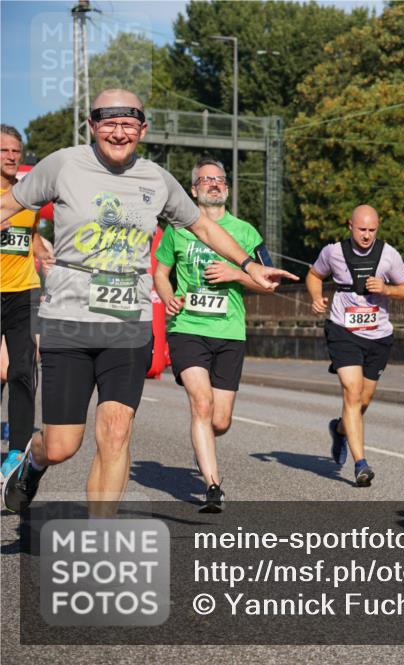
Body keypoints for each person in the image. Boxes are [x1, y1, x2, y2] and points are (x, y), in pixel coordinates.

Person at [0, 89, 296, 514]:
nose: (118, 133)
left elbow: (205, 229)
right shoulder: (62, 165)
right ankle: (33, 461)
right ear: (91, 125)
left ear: (143, 129)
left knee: (117, 430)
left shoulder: (156, 179)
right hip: (68, 318)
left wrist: (250, 266)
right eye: (108, 123)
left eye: (128, 125)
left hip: (128, 319)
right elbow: (8, 205)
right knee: (63, 444)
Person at [153, 158, 272, 512]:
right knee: (200, 403)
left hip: (229, 332)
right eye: (205, 180)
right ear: (193, 190)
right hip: (188, 328)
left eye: (219, 179)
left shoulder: (246, 231)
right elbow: (161, 272)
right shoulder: (178, 228)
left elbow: (267, 281)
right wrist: (167, 295)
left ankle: (202, 435)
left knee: (219, 420)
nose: (213, 184)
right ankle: (213, 487)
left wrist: (236, 274)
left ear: (228, 188)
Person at [306, 205, 404, 487]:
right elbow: (314, 275)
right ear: (350, 226)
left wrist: (388, 289)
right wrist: (316, 297)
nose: (367, 235)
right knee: (352, 393)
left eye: (372, 230)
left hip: (378, 335)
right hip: (343, 330)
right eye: (362, 229)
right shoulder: (333, 252)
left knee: (361, 402)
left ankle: (340, 429)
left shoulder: (388, 254)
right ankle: (361, 464)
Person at [0, 125, 49, 483]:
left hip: (23, 291)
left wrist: (46, 258)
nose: (12, 156)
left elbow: (32, 237)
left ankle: (16, 451)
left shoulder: (27, 196)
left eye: (16, 151)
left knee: (22, 369)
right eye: (4, 151)